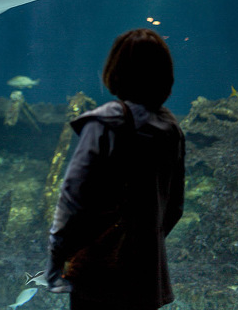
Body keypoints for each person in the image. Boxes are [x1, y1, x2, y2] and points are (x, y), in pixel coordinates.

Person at [45, 28, 185, 310]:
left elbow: (72, 197)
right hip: (147, 277)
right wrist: (143, 244)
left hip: (98, 272)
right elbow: (174, 208)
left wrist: (56, 258)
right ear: (166, 75)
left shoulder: (106, 121)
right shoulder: (171, 127)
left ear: (114, 71)